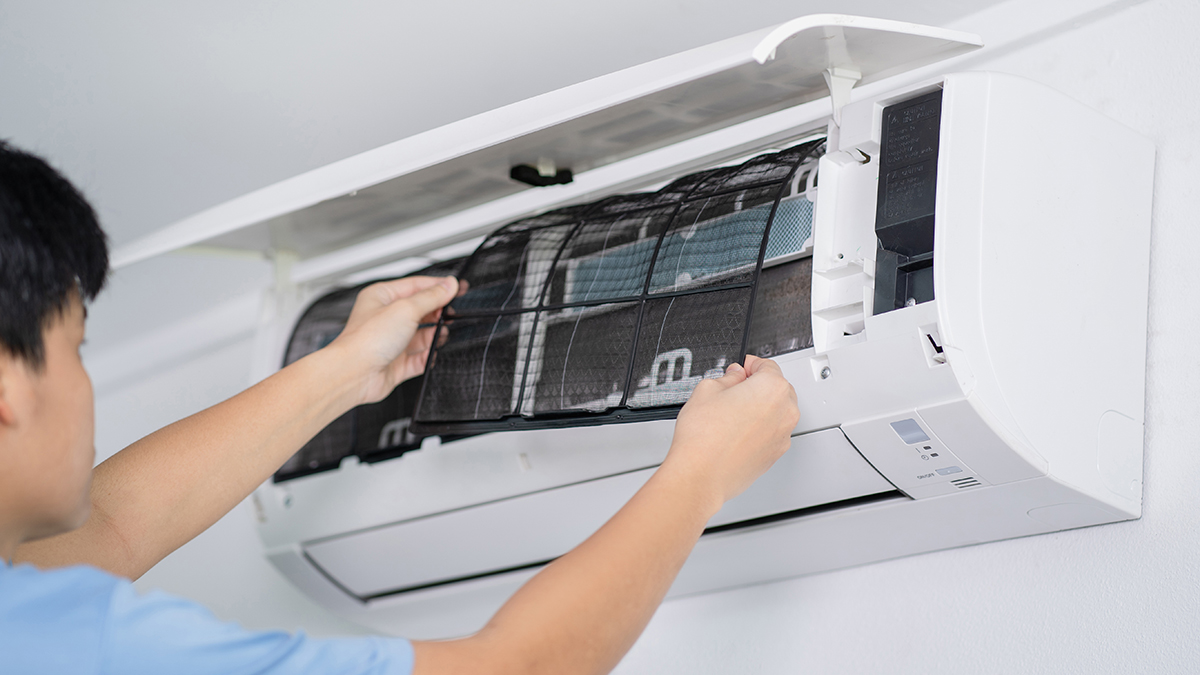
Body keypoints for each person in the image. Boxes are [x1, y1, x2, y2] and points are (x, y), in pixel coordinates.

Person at [0, 139, 800, 675]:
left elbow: (112, 527)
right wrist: (698, 477)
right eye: (77, 349)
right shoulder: (78, 642)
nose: (83, 380)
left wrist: (344, 372)